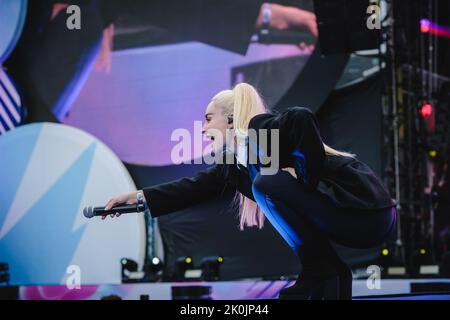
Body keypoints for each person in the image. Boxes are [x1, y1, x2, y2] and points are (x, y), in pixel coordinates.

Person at [103, 83, 397, 300]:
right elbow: (190, 189)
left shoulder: (260, 132)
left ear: (230, 120)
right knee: (266, 184)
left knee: (266, 184)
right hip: (349, 218)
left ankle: (318, 270)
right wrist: (135, 198)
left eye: (208, 119)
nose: (202, 130)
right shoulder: (235, 165)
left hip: (365, 209)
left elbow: (300, 116)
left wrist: (306, 182)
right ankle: (326, 271)